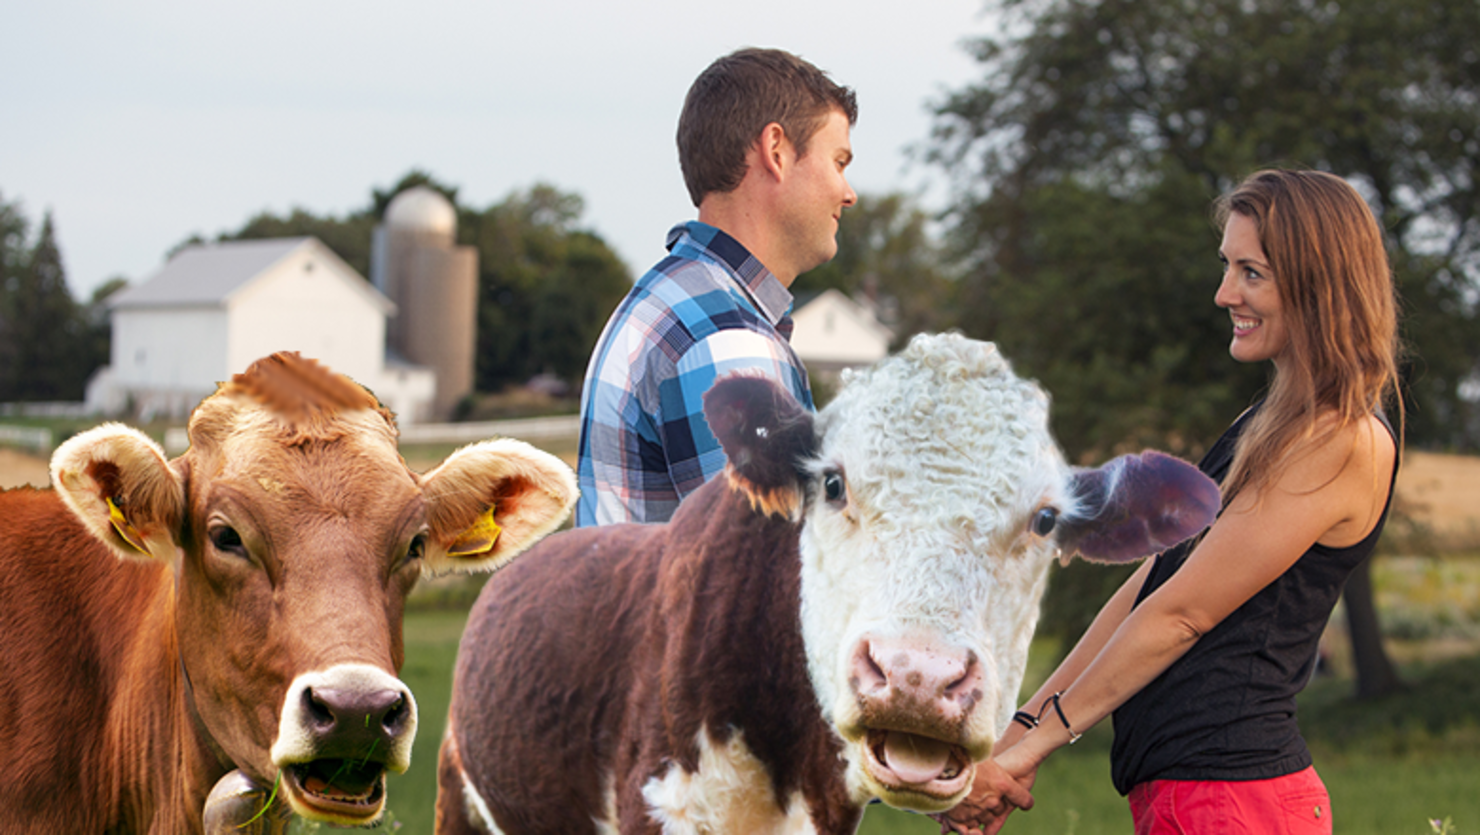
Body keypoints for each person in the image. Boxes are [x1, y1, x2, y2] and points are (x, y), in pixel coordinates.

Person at [939, 169, 1403, 835]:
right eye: (1227, 267)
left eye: (1252, 272)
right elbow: (1152, 588)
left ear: (1316, 281)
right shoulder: (1271, 424)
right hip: (1195, 794)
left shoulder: (1341, 438)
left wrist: (1037, 745)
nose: (1225, 294)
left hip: (1236, 800)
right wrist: (1019, 733)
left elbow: (1184, 614)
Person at [575, 47, 858, 526]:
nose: (848, 193)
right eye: (839, 161)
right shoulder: (724, 339)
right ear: (776, 152)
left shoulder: (679, 300)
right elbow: (775, 581)